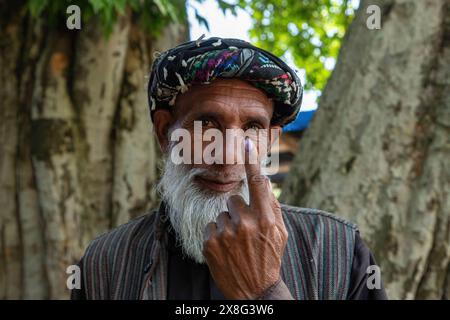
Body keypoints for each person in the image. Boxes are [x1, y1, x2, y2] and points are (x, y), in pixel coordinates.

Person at [71, 37, 387, 300]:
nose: (227, 157)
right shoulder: (105, 264)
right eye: (207, 123)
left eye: (251, 128)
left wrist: (265, 291)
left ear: (269, 142)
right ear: (166, 132)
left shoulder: (339, 252)